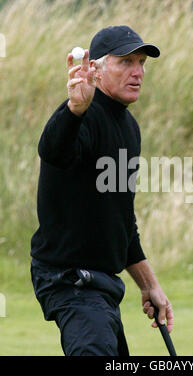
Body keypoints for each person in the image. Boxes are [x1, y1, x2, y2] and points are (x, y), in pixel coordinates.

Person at [30, 25, 174, 356]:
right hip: (68, 279)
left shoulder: (128, 127)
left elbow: (120, 220)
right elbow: (54, 151)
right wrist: (74, 110)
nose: (137, 72)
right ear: (95, 68)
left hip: (100, 285)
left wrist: (150, 285)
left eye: (141, 63)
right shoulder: (83, 115)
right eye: (125, 62)